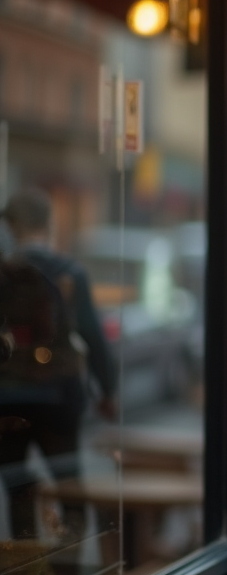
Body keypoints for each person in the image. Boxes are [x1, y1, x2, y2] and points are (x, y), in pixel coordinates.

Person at [0, 187, 117, 542]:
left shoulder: (4, 274)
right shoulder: (70, 273)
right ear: (48, 224)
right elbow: (93, 337)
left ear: (12, 226)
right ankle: (73, 557)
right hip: (59, 393)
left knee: (18, 488)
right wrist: (107, 390)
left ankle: (25, 565)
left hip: (9, 396)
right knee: (69, 483)